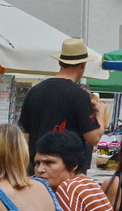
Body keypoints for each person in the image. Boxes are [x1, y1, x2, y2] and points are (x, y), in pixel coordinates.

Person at [18, 38, 102, 170]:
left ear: (60, 62)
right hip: (67, 171)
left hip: (37, 169)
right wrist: (100, 113)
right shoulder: (79, 95)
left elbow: (24, 136)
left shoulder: (34, 91)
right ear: (82, 65)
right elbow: (93, 138)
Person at [33, 130, 114, 211]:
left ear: (73, 164)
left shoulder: (68, 188)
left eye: (49, 163)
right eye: (37, 163)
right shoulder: (85, 183)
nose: (39, 169)